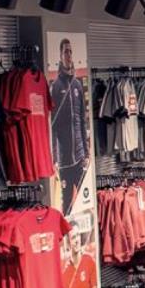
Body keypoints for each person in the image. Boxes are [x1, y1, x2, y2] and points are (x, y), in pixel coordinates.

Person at [50, 38, 90, 215]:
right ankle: (67, 240)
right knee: (66, 205)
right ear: (60, 55)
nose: (68, 55)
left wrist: (86, 152)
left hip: (80, 156)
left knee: (85, 202)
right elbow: (53, 126)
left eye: (70, 51)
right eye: (66, 51)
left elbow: (82, 120)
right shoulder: (56, 86)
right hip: (65, 159)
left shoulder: (77, 85)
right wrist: (55, 158)